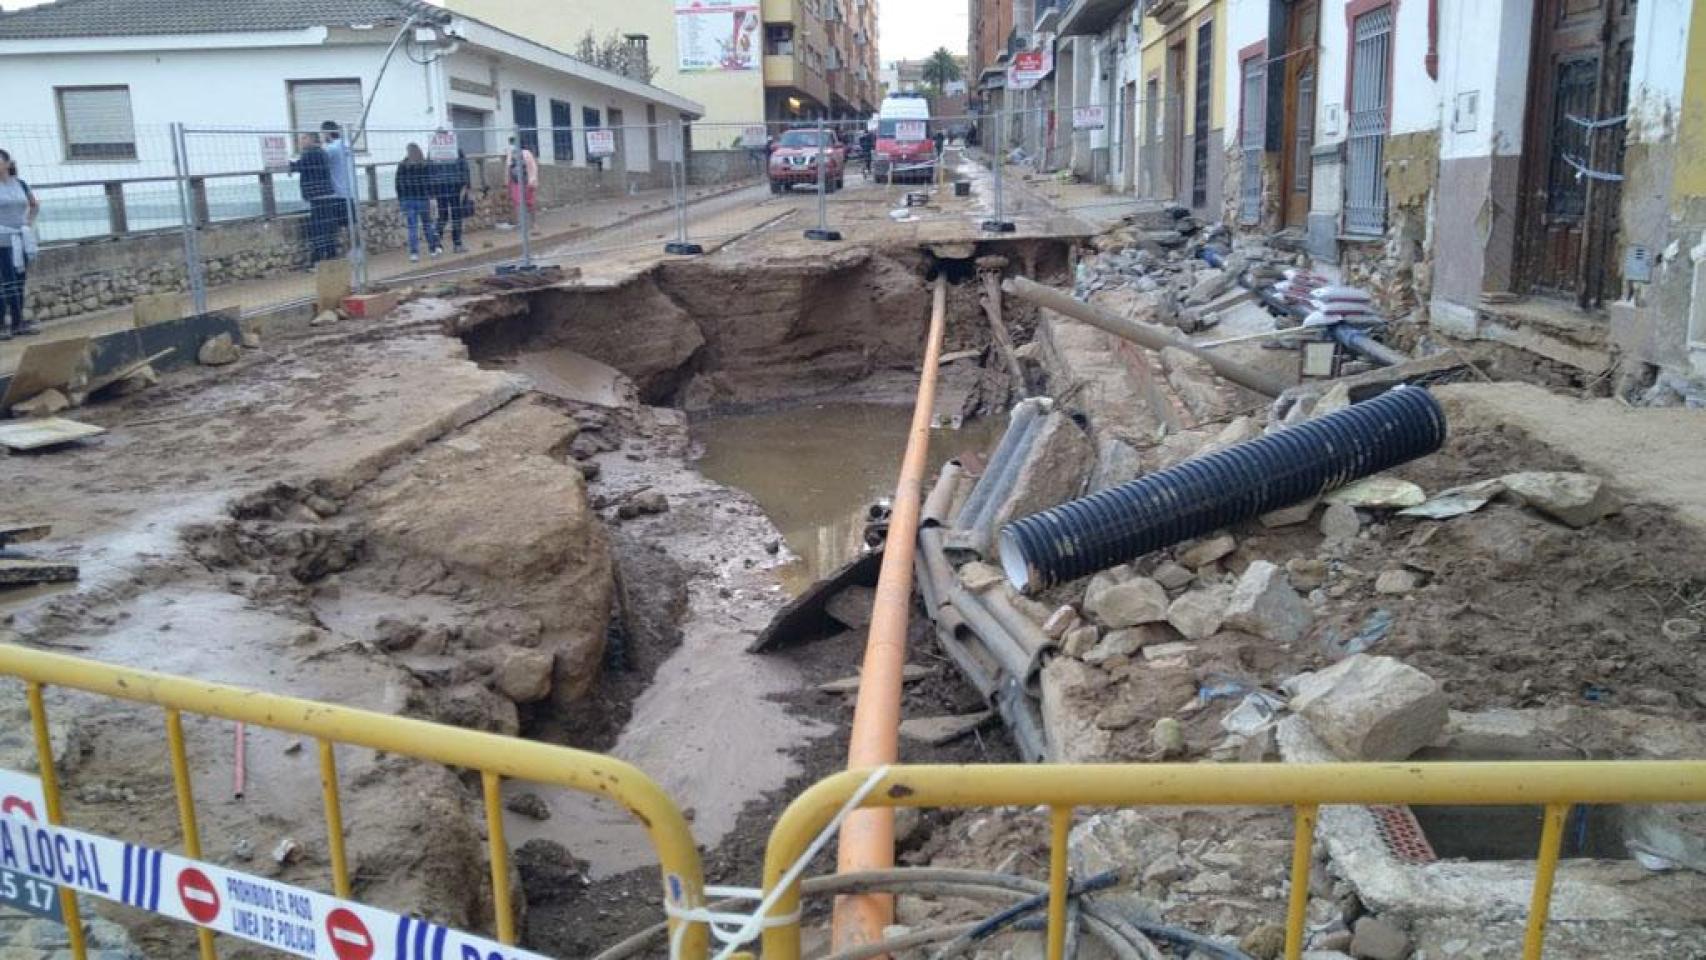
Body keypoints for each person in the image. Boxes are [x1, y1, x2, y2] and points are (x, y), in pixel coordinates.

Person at [0, 148, 41, 340]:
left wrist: (28, 224)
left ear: (8, 164)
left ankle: (18, 322)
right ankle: (2, 325)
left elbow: (34, 205)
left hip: (20, 239)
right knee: (5, 282)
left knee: (18, 281)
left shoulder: (21, 184)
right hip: (2, 240)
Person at [289, 132, 338, 266]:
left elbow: (299, 166)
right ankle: (330, 255)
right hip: (325, 194)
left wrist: (281, 162)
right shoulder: (320, 152)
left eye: (304, 138)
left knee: (319, 228)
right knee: (326, 227)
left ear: (312, 139)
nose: (301, 142)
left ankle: (317, 259)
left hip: (319, 195)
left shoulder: (311, 153)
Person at [395, 143, 441, 263]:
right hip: (423, 199)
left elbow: (398, 184)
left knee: (412, 228)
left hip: (408, 199)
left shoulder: (403, 165)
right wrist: (432, 195)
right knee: (427, 225)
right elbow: (431, 181)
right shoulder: (424, 164)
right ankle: (432, 250)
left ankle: (414, 253)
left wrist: (401, 199)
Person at [430, 142, 471, 255]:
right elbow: (465, 168)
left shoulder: (434, 151)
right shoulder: (455, 149)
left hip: (441, 188)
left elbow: (429, 171)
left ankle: (437, 242)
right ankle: (457, 243)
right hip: (454, 187)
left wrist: (431, 191)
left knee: (443, 216)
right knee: (455, 216)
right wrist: (466, 185)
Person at [322, 121, 355, 253]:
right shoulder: (346, 145)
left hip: (338, 192)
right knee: (351, 224)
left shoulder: (331, 149)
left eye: (322, 133)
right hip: (350, 191)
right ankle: (356, 250)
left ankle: (345, 251)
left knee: (338, 226)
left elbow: (319, 158)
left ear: (327, 133)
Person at [506, 136, 538, 228]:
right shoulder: (511, 154)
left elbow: (533, 167)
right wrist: (508, 180)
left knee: (529, 203)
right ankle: (522, 223)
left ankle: (533, 222)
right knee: (517, 202)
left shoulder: (527, 153)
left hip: (527, 181)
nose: (512, 145)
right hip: (516, 182)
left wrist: (533, 180)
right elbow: (509, 167)